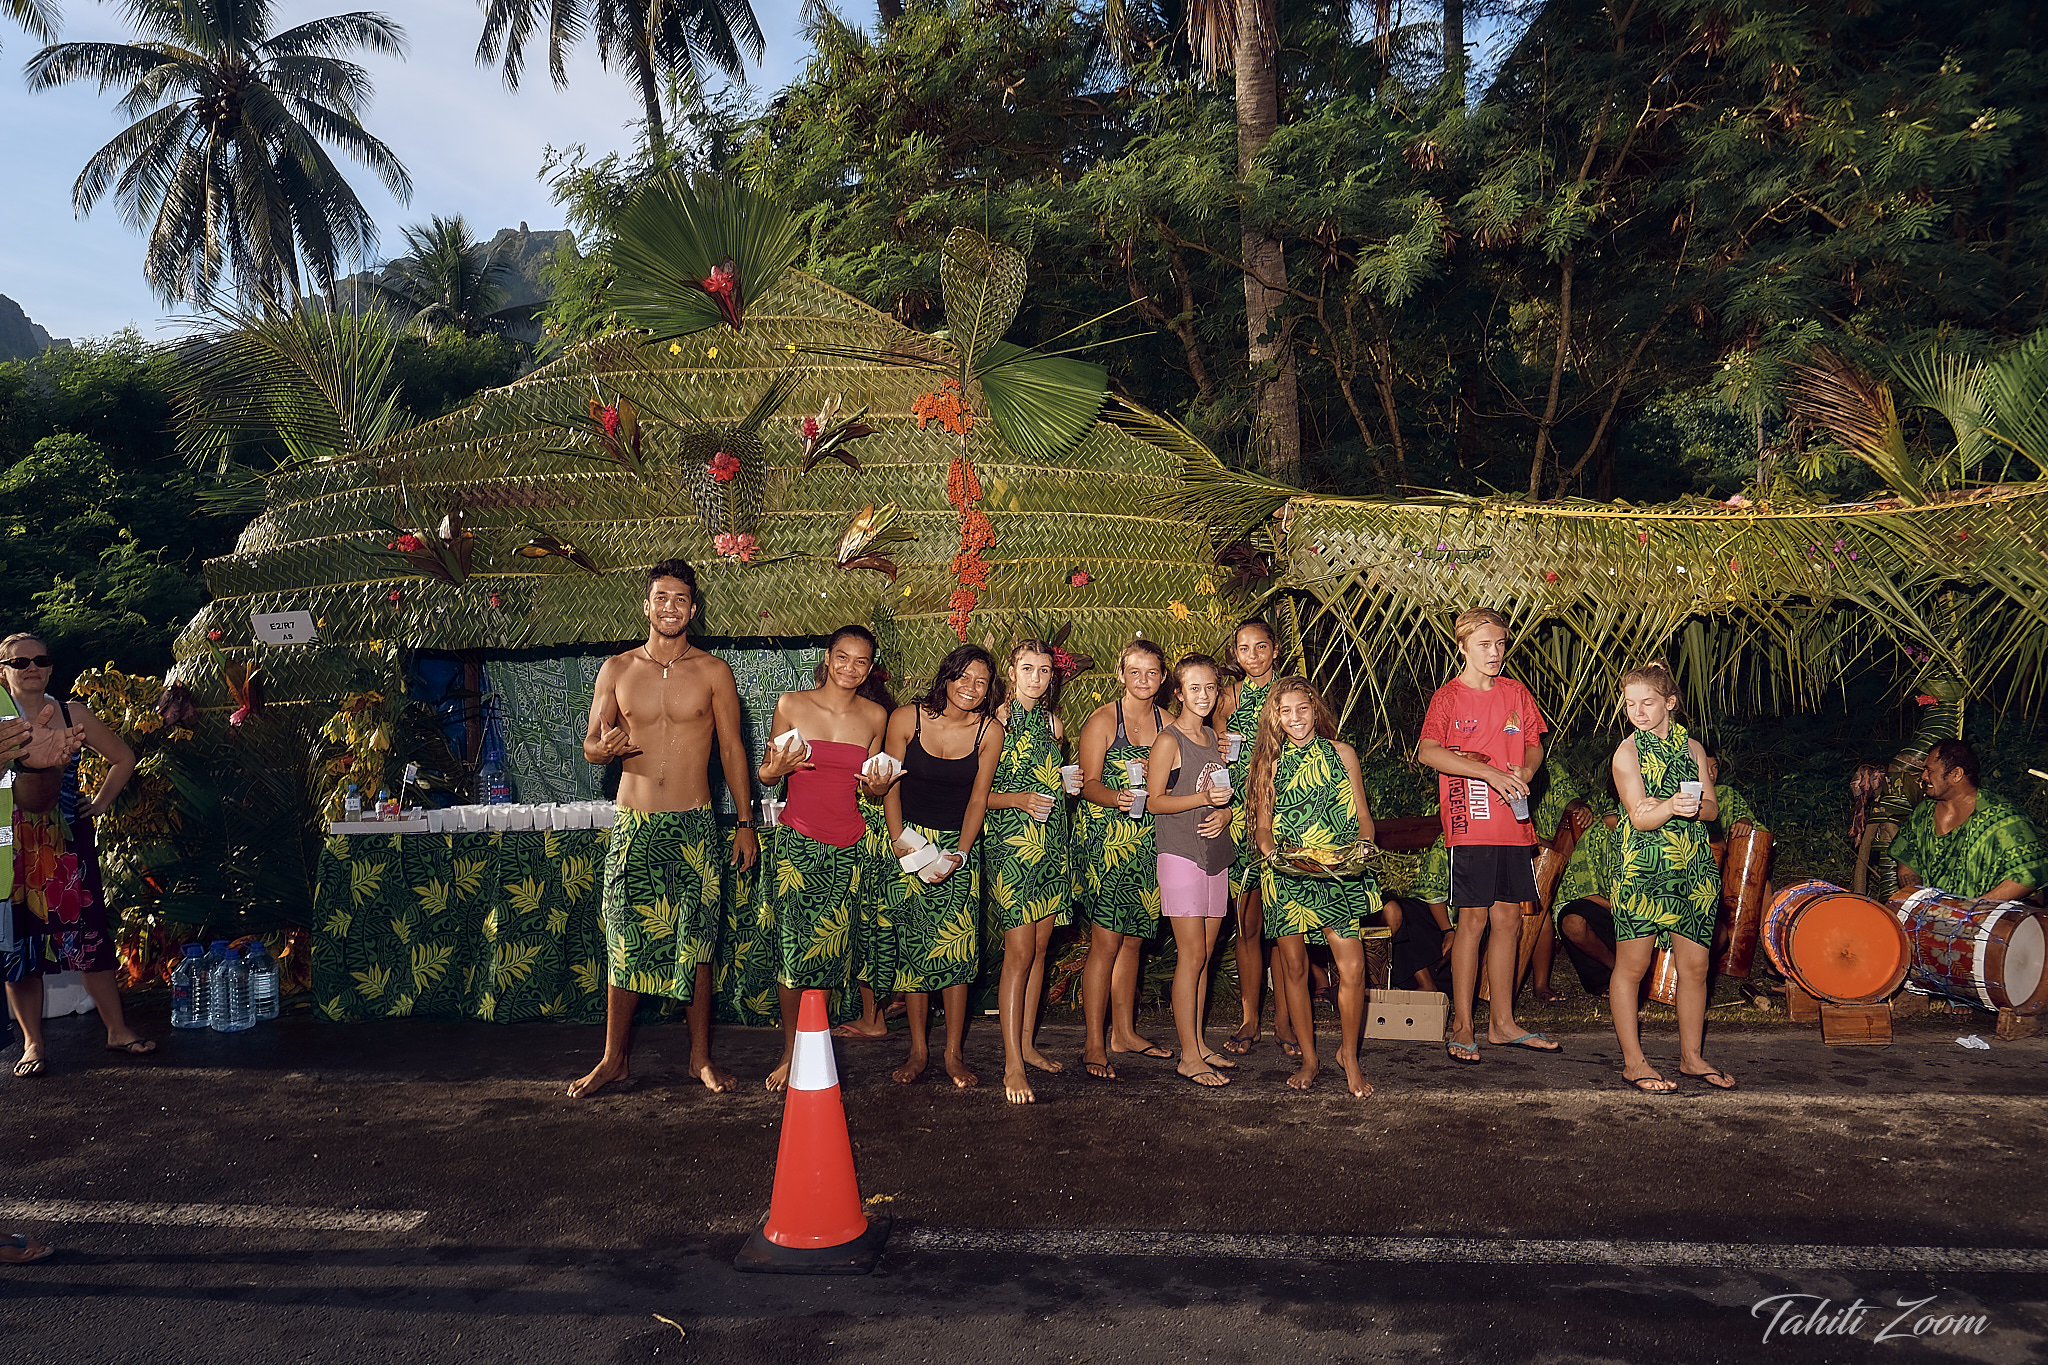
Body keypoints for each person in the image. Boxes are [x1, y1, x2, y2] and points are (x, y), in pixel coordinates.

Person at [568, 562, 759, 1099]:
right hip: (635, 826)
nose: (670, 607)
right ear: (646, 605)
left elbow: (731, 750)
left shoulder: (714, 673)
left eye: (680, 599)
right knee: (625, 940)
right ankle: (614, 1058)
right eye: (660, 597)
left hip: (695, 826)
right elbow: (591, 741)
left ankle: (700, 1058)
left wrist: (745, 823)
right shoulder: (618, 669)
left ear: (693, 609)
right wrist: (598, 750)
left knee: (696, 941)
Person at [1415, 608, 1561, 1063]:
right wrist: (1488, 773)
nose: (1495, 652)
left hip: (1514, 822)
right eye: (1484, 644)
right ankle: (1463, 1023)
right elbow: (1427, 751)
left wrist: (1526, 769)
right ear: (1461, 645)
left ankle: (1502, 1022)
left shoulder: (1516, 692)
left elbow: (1535, 742)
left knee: (1509, 921)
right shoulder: (1448, 697)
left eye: (1500, 643)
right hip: (1470, 822)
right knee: (1472, 922)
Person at [3, 633, 152, 1078]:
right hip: (6, 844)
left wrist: (101, 803)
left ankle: (117, 1030)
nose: (31, 666)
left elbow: (123, 758)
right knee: (17, 945)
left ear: (49, 668)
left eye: (40, 659)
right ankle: (32, 1043)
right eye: (20, 661)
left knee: (87, 937)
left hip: (65, 844)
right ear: (3, 671)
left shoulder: (71, 712)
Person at [756, 626, 892, 1091]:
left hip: (851, 845)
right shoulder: (792, 704)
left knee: (832, 951)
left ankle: (819, 1046)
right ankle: (791, 1052)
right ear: (828, 658)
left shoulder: (876, 715)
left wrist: (878, 787)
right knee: (795, 953)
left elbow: (873, 785)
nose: (850, 668)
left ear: (870, 668)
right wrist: (776, 769)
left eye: (860, 661)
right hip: (798, 842)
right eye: (842, 657)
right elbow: (768, 774)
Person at [878, 644, 1004, 1088]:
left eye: (981, 682)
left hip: (955, 846)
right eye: (963, 677)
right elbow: (889, 783)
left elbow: (977, 799)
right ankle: (918, 1051)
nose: (971, 688)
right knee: (915, 951)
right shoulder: (906, 719)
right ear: (946, 678)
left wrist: (962, 853)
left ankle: (953, 1054)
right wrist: (899, 841)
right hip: (908, 839)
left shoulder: (988, 731)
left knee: (957, 951)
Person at [1608, 661, 1733, 1092]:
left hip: (1693, 869)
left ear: (1670, 703)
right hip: (1643, 870)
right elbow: (1639, 815)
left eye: (1647, 703)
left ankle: (1692, 1057)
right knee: (1633, 966)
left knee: (1695, 968)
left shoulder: (1695, 749)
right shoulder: (1627, 752)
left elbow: (1713, 809)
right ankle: (1634, 1061)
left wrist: (1697, 806)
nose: (1637, 712)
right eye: (1630, 704)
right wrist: (1671, 807)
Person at [1249, 677, 1376, 1097]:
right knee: (1295, 970)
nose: (1295, 719)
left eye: (1302, 709)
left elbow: (1362, 816)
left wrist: (1364, 848)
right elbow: (1263, 829)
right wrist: (1275, 856)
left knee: (1353, 968)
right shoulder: (1269, 763)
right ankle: (1309, 1058)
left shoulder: (1343, 754)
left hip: (1336, 873)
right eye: (1285, 712)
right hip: (1287, 874)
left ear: (1314, 709)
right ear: (1275, 718)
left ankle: (1349, 1056)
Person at [1072, 638, 1174, 1079]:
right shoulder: (1102, 721)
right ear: (1121, 674)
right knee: (1107, 940)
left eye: (1152, 673)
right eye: (1135, 672)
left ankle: (1125, 1032)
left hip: (1150, 842)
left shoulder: (1169, 723)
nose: (1143, 680)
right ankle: (1095, 1041)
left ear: (1163, 678)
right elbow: (1086, 783)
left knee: (1134, 939)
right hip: (1106, 839)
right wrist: (1118, 797)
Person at [983, 640, 1073, 1103]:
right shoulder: (996, 721)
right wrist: (1018, 799)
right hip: (1012, 847)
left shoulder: (1052, 724)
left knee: (1039, 950)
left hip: (1051, 845)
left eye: (1044, 670)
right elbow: (977, 797)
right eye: (1027, 669)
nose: (1036, 678)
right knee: (1019, 953)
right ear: (1011, 673)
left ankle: (1028, 1044)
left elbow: (1047, 779)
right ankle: (1012, 1064)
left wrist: (1065, 782)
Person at [1148, 653, 1236, 1086]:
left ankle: (1198, 1043)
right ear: (1178, 692)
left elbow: (1223, 796)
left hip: (1215, 855)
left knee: (1206, 955)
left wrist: (1227, 816)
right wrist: (1204, 803)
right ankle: (1187, 1056)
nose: (1204, 696)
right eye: (1194, 688)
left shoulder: (1213, 739)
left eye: (1211, 687)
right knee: (1193, 955)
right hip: (1181, 855)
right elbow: (1155, 802)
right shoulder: (1170, 741)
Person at [1217, 620, 1280, 1056]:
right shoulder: (1230, 694)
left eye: (1261, 647)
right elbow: (1206, 734)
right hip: (1239, 818)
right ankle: (1250, 1018)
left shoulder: (1293, 691)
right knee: (1248, 923)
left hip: (1286, 813)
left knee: (1289, 925)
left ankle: (1289, 1023)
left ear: (1275, 650)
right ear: (1235, 653)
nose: (1253, 655)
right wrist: (1219, 741)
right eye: (1244, 648)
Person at [1890, 738, 2047, 904]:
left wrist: (1971, 911)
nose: (1924, 776)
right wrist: (1920, 903)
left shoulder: (2004, 818)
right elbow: (1906, 857)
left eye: (1930, 770)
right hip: (1932, 919)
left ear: (1956, 774)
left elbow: (2029, 875)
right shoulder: (1924, 812)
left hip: (1992, 922)